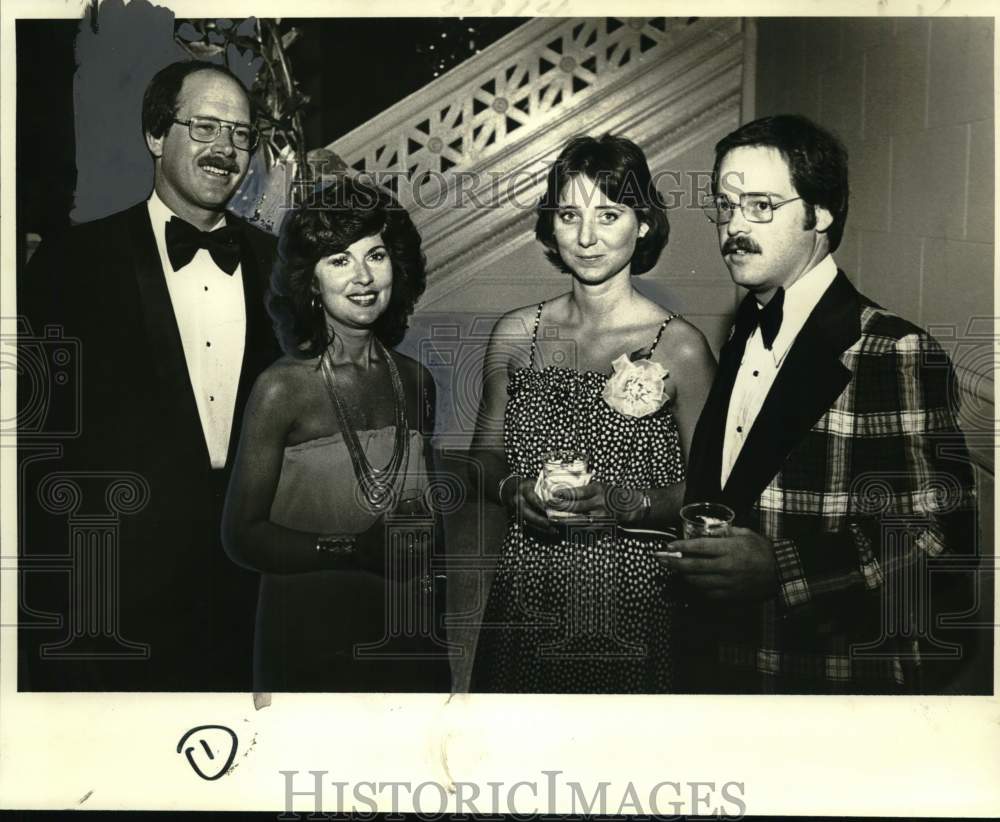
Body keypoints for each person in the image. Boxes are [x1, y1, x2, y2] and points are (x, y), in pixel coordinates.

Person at [664, 114, 979, 694]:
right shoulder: (746, 329)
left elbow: (935, 540)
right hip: (726, 663)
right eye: (725, 206)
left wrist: (781, 569)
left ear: (823, 213)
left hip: (823, 675)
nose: (734, 225)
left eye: (760, 205)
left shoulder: (890, 346)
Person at [18, 61, 280, 691]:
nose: (226, 149)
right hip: (118, 590)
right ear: (156, 136)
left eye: (241, 135)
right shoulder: (70, 263)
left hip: (250, 583)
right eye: (206, 127)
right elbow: (38, 443)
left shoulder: (279, 266)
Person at [469, 134, 717, 693]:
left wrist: (624, 502)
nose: (586, 237)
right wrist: (514, 490)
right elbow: (482, 459)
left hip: (637, 594)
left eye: (609, 214)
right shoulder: (515, 335)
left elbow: (708, 490)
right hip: (529, 582)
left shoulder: (680, 347)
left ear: (644, 224)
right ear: (550, 228)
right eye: (568, 214)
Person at [221, 175, 451, 692]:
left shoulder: (417, 380)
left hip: (406, 638)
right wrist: (352, 548)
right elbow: (241, 535)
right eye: (339, 259)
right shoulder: (282, 389)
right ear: (310, 281)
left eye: (376, 255)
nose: (363, 277)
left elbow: (427, 523)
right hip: (312, 636)